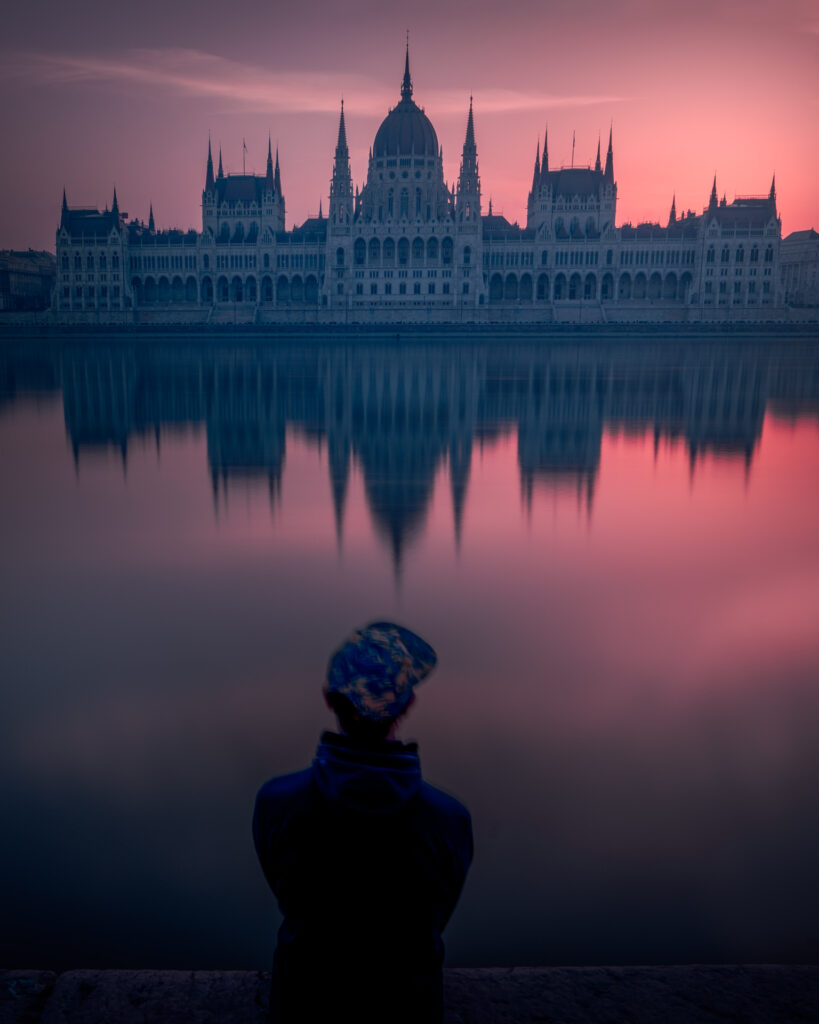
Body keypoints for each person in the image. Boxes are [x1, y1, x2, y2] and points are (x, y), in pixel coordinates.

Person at [253, 621, 473, 1024]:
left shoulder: (275, 804)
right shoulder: (449, 821)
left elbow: (283, 890)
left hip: (303, 1007)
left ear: (329, 699)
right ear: (406, 705)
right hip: (410, 1009)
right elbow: (437, 916)